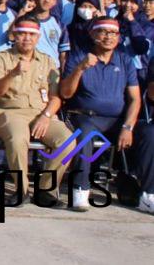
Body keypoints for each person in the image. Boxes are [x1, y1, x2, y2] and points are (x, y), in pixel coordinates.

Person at [59, 16, 142, 211]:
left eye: (113, 33)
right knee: (85, 135)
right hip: (85, 116)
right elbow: (65, 93)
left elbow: (135, 99)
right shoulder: (79, 56)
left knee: (147, 134)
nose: (108, 37)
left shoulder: (125, 61)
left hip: (117, 119)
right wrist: (80, 69)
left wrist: (128, 127)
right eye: (103, 31)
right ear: (93, 33)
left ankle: (143, 191)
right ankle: (80, 189)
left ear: (119, 37)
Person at [0, 17, 74, 205]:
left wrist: (46, 116)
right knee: (18, 138)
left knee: (68, 140)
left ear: (38, 37)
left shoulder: (47, 61)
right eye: (22, 33)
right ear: (14, 35)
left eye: (31, 34)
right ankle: (22, 190)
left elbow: (55, 97)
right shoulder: (2, 57)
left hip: (41, 113)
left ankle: (46, 190)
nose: (27, 38)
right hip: (10, 112)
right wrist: (13, 73)